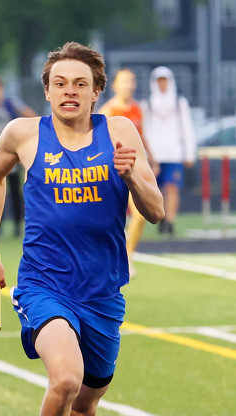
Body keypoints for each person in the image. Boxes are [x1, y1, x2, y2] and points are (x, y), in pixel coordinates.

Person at [0, 42, 163, 416]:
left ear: (96, 92)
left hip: (102, 294)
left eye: (80, 84)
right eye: (60, 83)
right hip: (43, 285)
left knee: (84, 412)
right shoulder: (23, 134)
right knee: (65, 379)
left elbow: (155, 209)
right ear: (47, 90)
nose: (69, 92)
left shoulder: (120, 133)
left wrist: (131, 175)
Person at [99, 68, 158, 275]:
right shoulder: (108, 110)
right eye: (124, 81)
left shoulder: (137, 108)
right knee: (107, 218)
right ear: (115, 85)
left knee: (140, 215)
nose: (129, 85)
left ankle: (127, 256)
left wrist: (152, 159)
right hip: (112, 171)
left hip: (134, 169)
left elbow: (142, 136)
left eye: (132, 80)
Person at [129, 66, 196, 247]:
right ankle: (158, 217)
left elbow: (187, 127)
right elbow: (143, 130)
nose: (162, 85)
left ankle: (170, 221)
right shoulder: (148, 104)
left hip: (174, 152)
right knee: (154, 188)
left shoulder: (179, 103)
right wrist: (144, 153)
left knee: (172, 188)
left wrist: (189, 152)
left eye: (165, 81)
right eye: (159, 81)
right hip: (154, 154)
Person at [0, 74, 36, 237]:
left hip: (11, 153)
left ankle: (17, 225)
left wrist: (23, 138)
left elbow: (30, 114)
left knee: (15, 190)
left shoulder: (10, 103)